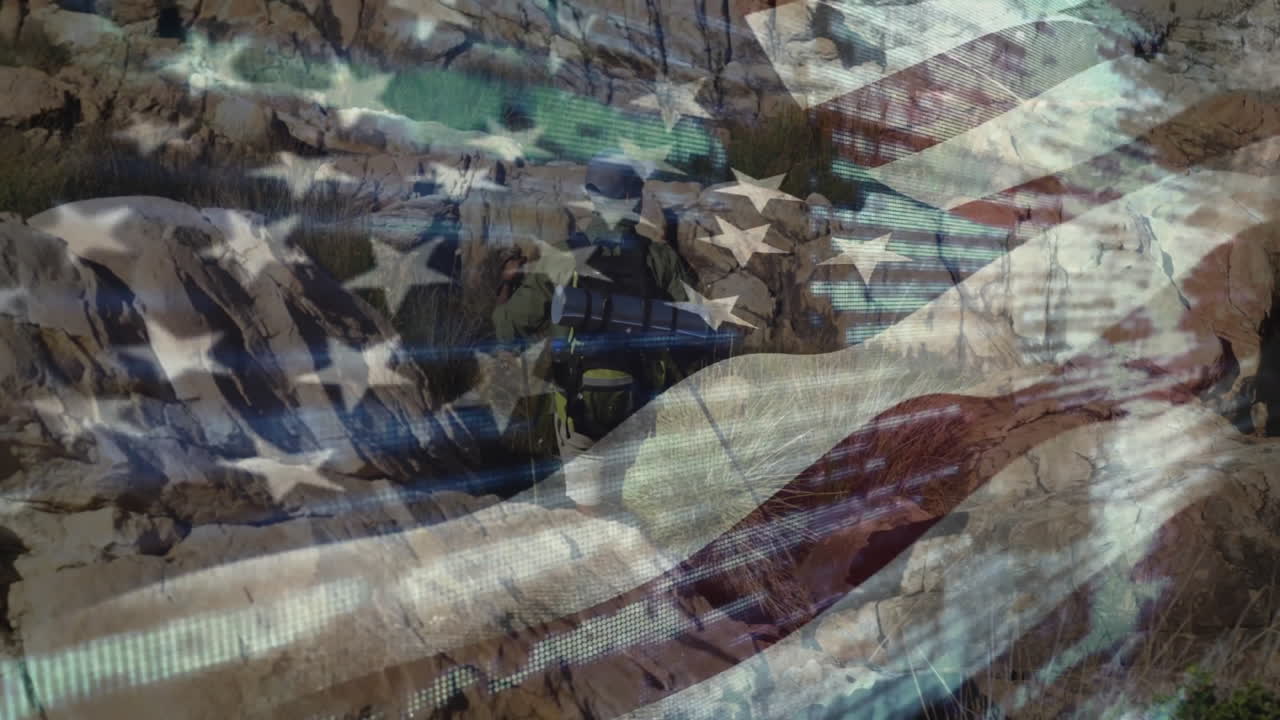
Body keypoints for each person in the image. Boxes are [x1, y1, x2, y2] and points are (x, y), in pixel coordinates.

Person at [492, 153, 697, 508]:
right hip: (642, 408)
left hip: (578, 408)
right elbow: (698, 326)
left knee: (588, 510)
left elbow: (508, 328)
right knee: (634, 508)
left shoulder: (560, 257)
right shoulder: (660, 259)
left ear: (590, 195)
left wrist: (506, 284)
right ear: (636, 198)